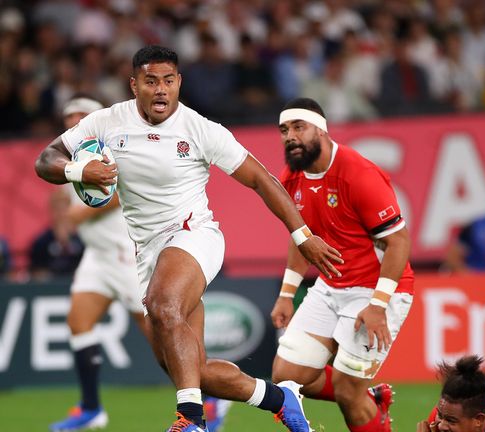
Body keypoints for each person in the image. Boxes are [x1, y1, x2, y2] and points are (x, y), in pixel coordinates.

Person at [35, 45, 343, 432]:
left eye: (168, 80)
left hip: (193, 235)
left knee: (163, 304)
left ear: (179, 82)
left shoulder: (200, 129)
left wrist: (303, 235)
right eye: (151, 81)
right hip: (148, 252)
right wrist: (78, 170)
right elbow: (46, 159)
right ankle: (281, 399)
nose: (161, 90)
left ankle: (190, 421)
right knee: (192, 371)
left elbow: (261, 179)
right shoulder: (107, 122)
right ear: (134, 85)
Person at [49, 96, 232, 432]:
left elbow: (116, 192)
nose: (73, 120)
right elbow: (60, 199)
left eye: (81, 114)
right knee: (78, 320)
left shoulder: (112, 145)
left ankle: (208, 395)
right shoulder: (74, 155)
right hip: (97, 256)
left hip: (126, 253)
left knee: (162, 340)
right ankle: (91, 408)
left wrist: (75, 213)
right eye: (69, 116)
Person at [270, 97, 414, 432]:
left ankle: (362, 398)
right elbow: (301, 238)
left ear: (321, 130)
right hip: (331, 286)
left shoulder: (357, 173)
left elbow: (399, 241)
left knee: (350, 394)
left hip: (376, 289)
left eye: (298, 127)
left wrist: (378, 306)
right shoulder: (291, 177)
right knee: (286, 377)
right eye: (283, 130)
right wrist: (286, 293)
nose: (289, 136)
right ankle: (370, 398)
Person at [28, 187, 84, 281]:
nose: (61, 214)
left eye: (65, 208)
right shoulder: (41, 242)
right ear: (52, 211)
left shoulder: (81, 240)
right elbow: (36, 271)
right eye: (58, 209)